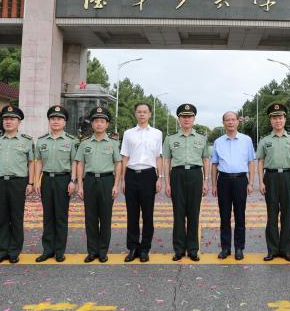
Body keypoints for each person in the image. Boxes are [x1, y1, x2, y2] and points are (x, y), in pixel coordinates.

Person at [0, 105, 35, 265]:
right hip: (0, 182)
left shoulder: (26, 141)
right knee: (2, 218)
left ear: (19, 121)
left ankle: (14, 251)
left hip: (18, 183)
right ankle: (2, 251)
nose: (8, 121)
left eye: (12, 119)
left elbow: (31, 163)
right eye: (6, 119)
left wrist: (30, 182)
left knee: (16, 217)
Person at [163, 103, 210, 262]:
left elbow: (205, 160)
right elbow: (166, 161)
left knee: (193, 213)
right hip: (177, 175)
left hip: (196, 174)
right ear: (179, 119)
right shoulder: (170, 138)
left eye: (189, 116)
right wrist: (167, 184)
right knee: (178, 213)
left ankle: (193, 249)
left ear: (194, 119)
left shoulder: (201, 138)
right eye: (183, 116)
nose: (186, 119)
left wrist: (206, 181)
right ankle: (179, 249)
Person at [257, 103, 290, 262]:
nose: (278, 120)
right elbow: (260, 161)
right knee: (271, 215)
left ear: (285, 119)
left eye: (280, 117)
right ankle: (272, 250)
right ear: (270, 121)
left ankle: (286, 250)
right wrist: (261, 181)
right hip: (270, 178)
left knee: (287, 215)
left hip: (288, 177)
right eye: (275, 118)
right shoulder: (265, 140)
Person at [75, 106, 121, 263]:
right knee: (91, 218)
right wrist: (80, 186)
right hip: (89, 182)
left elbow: (118, 164)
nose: (99, 124)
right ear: (92, 124)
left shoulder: (113, 143)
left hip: (107, 181)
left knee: (105, 217)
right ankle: (92, 251)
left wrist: (116, 185)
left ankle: (103, 251)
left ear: (107, 124)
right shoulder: (84, 143)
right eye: (96, 121)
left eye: (102, 121)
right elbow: (80, 164)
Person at [34, 105, 78, 263]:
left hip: (63, 180)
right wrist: (36, 181)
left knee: (60, 216)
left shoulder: (71, 141)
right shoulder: (41, 141)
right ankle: (47, 250)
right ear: (49, 121)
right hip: (46, 180)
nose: (55, 121)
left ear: (64, 122)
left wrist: (73, 181)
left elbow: (74, 162)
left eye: (59, 119)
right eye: (53, 118)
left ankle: (59, 251)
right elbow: (38, 161)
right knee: (48, 216)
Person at [120, 102, 163, 263]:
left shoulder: (157, 133)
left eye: (145, 112)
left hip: (149, 175)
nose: (142, 114)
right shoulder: (128, 133)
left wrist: (160, 178)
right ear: (135, 114)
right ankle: (132, 248)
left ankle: (145, 249)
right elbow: (125, 157)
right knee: (132, 214)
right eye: (139, 112)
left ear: (150, 114)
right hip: (131, 175)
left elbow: (159, 157)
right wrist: (123, 179)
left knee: (147, 214)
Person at [210, 111, 255, 261]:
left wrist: (250, 182)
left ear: (238, 122)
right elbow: (214, 164)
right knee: (224, 216)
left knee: (240, 216)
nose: (230, 122)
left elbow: (251, 162)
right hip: (223, 181)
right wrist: (214, 185)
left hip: (241, 180)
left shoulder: (246, 140)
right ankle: (225, 248)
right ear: (223, 123)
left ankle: (239, 248)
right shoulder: (218, 142)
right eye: (227, 120)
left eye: (233, 119)